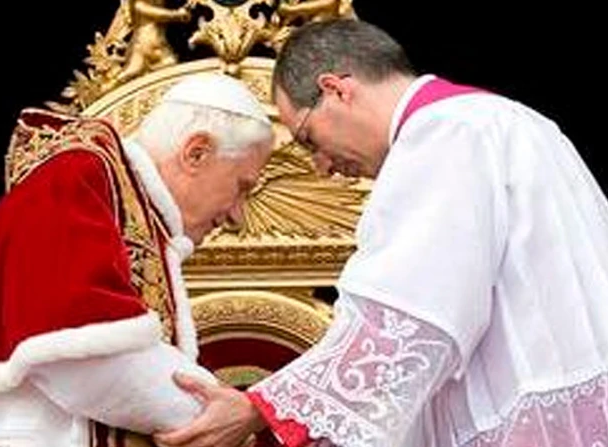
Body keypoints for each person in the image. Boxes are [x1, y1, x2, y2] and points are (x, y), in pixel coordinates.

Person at [155, 19, 608, 447]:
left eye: (309, 140)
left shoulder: (442, 134)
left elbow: (407, 319)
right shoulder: (515, 122)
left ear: (335, 90)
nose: (322, 167)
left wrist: (261, 408)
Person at [0, 73, 273, 446]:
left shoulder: (127, 201)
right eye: (242, 187)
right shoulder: (75, 178)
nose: (238, 216)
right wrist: (219, 415)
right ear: (196, 153)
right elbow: (82, 355)